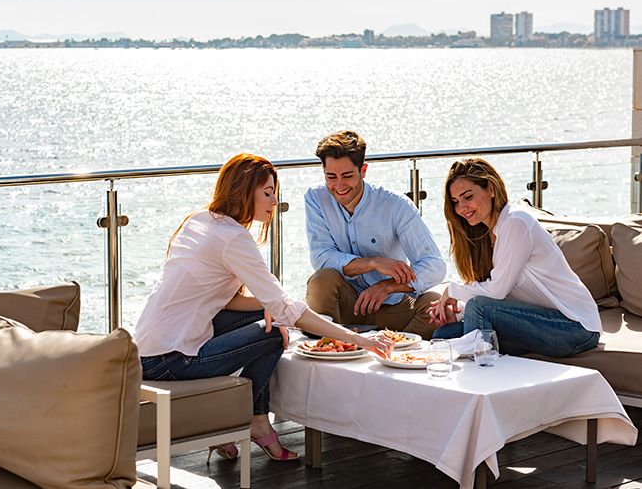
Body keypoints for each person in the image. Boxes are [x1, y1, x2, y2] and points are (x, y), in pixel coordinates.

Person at [135, 153, 393, 463]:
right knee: (273, 333)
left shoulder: (200, 221)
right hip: (172, 361)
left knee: (269, 318)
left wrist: (269, 305)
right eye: (267, 193)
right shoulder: (233, 239)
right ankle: (255, 420)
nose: (273, 202)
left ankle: (248, 421)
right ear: (244, 191)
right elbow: (289, 311)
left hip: (147, 352)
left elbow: (223, 299)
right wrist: (362, 340)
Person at [429, 158, 601, 357]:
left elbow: (497, 292)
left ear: (491, 189)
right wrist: (458, 311)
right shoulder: (487, 234)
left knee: (479, 308)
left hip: (575, 327)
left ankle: (482, 380)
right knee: (443, 335)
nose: (462, 208)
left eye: (468, 197)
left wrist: (451, 290)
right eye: (456, 202)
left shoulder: (515, 222)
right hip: (537, 320)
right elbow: (502, 291)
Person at [304, 130, 446, 339]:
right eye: (331, 177)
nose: (339, 185)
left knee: (432, 303)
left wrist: (386, 287)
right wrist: (373, 263)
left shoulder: (396, 205)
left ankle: (395, 349)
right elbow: (321, 258)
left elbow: (435, 265)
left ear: (363, 170)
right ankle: (332, 346)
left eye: (347, 175)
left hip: (393, 307)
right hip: (346, 307)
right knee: (321, 280)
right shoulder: (316, 198)